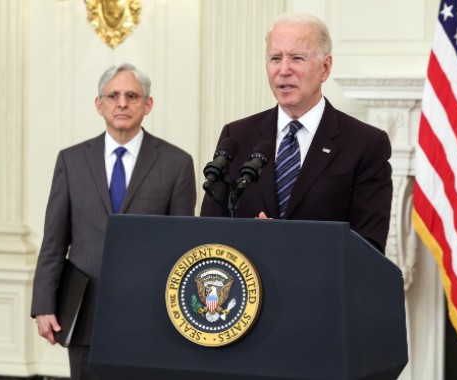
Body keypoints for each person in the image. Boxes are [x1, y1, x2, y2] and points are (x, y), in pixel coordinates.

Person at [31, 63, 196, 379]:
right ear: (99, 104)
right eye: (113, 95)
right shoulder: (72, 160)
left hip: (151, 318)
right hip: (84, 315)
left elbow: (182, 249)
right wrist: (43, 303)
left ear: (147, 105)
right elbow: (53, 241)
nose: (122, 103)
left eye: (132, 96)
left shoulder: (176, 164)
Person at [200, 13, 392, 253]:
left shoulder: (365, 144)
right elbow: (208, 233)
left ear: (325, 67)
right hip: (248, 287)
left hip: (321, 287)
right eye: (275, 58)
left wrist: (286, 242)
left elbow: (369, 245)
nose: (283, 70)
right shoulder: (237, 136)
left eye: (297, 58)